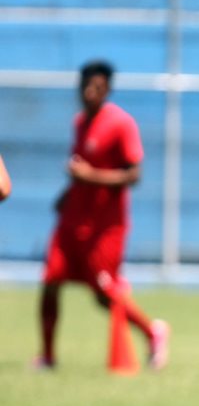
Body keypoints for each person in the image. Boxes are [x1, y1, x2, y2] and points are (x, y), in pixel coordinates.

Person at [36, 60, 170, 370]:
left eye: (96, 87)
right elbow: (81, 171)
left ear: (107, 90)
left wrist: (90, 176)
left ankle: (153, 332)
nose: (88, 92)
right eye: (84, 86)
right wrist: (67, 195)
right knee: (50, 280)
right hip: (72, 220)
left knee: (102, 292)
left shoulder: (121, 124)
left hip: (105, 226)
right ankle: (47, 355)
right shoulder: (80, 122)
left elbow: (133, 175)